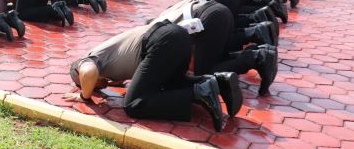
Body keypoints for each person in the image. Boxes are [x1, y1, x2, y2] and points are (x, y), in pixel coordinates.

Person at [66, 21, 241, 130]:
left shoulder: (89, 60)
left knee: (134, 104)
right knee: (170, 84)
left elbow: (88, 73)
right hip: (176, 35)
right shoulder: (107, 60)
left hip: (161, 41)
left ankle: (198, 92)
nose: (96, 87)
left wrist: (84, 96)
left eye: (88, 84)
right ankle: (217, 81)